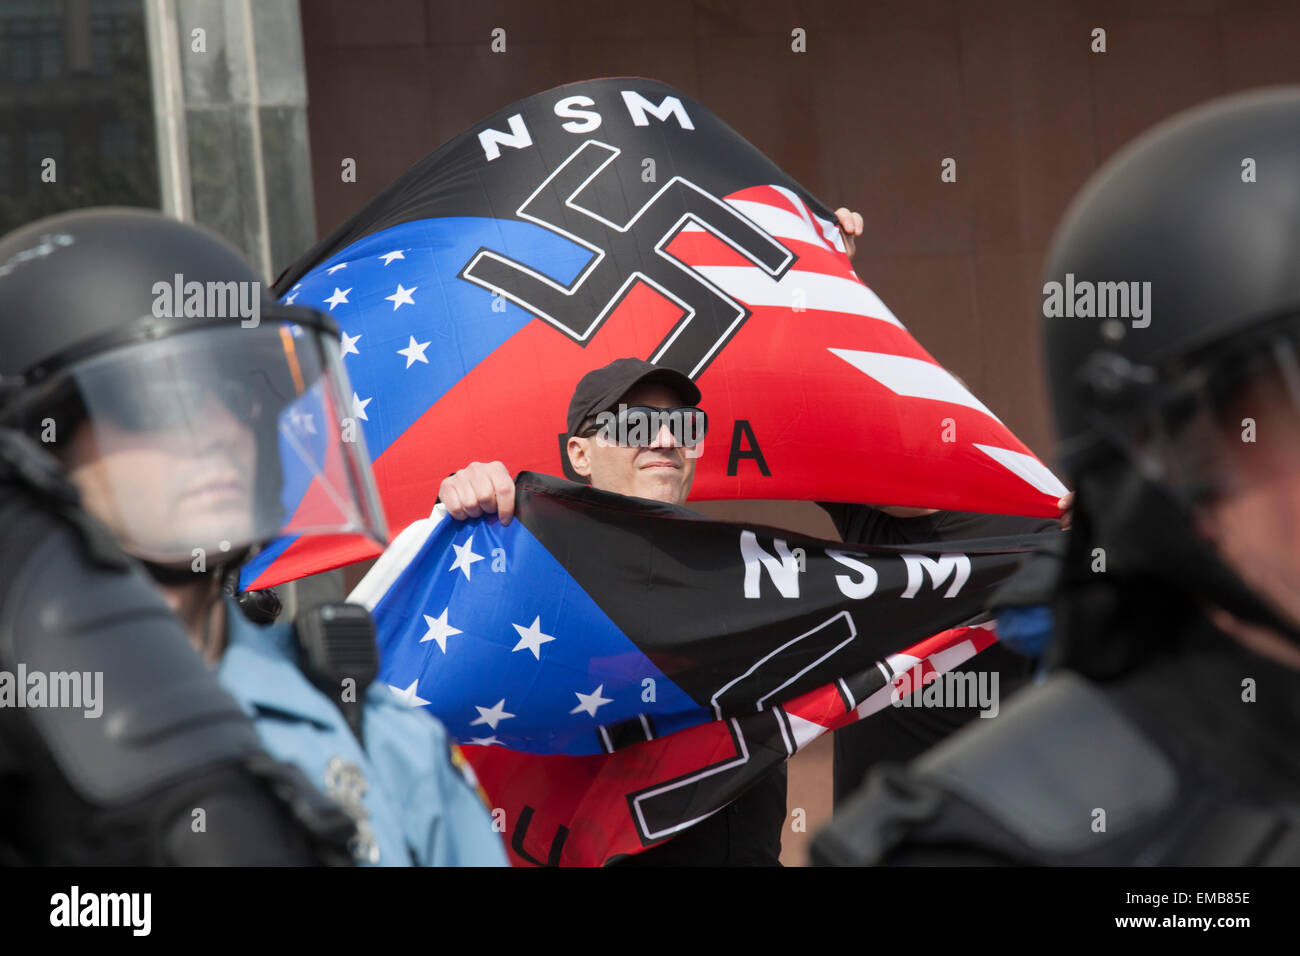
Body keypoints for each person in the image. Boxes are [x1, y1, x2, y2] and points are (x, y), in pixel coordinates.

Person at [811, 86, 1300, 866]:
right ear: (1161, 455)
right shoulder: (985, 848)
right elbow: (819, 409)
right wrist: (807, 285)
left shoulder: (1046, 538)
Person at [0, 207, 506, 866]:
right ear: (37, 445)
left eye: (240, 397)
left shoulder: (374, 731)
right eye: (159, 400)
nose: (218, 430)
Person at [438, 344, 1065, 864]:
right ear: (579, 453)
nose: (662, 440)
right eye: (633, 425)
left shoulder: (743, 573)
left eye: (683, 427)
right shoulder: (527, 559)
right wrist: (464, 503)